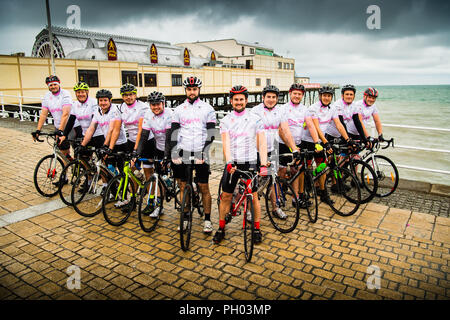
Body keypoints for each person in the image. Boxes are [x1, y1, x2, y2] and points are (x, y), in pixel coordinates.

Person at [214, 85, 268, 244]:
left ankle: (257, 229)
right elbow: (225, 143)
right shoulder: (225, 120)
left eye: (241, 99)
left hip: (250, 162)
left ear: (246, 100)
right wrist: (229, 161)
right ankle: (221, 228)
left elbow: (262, 143)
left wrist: (263, 164)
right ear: (231, 101)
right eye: (236, 99)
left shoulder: (255, 119)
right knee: (226, 196)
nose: (238, 102)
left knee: (254, 196)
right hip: (233, 163)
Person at [169, 76, 216, 234]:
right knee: (183, 185)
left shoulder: (207, 108)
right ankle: (185, 217)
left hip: (201, 151)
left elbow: (211, 133)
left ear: (199, 90)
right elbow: (174, 133)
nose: (191, 92)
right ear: (185, 91)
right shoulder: (178, 109)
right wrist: (174, 152)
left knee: (204, 187)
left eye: (194, 89)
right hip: (184, 150)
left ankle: (208, 220)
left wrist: (204, 152)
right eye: (189, 89)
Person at [250, 85, 300, 219]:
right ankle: (249, 210)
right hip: (256, 150)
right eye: (268, 97)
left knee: (274, 179)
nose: (271, 100)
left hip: (272, 149)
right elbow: (255, 134)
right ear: (263, 97)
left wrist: (294, 148)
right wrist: (263, 158)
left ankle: (275, 207)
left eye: (273, 97)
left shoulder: (280, 112)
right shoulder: (255, 111)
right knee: (253, 182)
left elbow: (286, 131)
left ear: (277, 98)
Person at [302, 86, 352, 204]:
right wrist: (326, 143)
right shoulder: (313, 108)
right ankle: (306, 185)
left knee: (322, 166)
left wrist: (348, 139)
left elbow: (339, 125)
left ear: (331, 97)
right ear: (320, 96)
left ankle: (323, 193)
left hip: (321, 140)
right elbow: (316, 128)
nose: (326, 98)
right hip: (308, 140)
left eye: (329, 96)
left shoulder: (332, 108)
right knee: (307, 166)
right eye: (324, 95)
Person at [278, 83, 320, 208]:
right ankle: (279, 196)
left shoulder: (304, 109)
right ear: (290, 93)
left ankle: (296, 198)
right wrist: (291, 146)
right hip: (283, 144)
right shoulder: (283, 109)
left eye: (299, 94)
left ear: (302, 96)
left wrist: (317, 142)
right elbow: (281, 130)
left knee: (296, 171)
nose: (297, 96)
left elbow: (311, 125)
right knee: (282, 170)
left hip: (298, 144)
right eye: (295, 93)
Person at [136, 91, 173, 218]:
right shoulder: (148, 115)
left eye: (158, 104)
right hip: (158, 148)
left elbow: (169, 138)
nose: (155, 107)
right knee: (159, 178)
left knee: (179, 179)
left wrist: (167, 157)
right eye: (153, 105)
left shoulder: (169, 114)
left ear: (163, 103)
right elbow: (144, 136)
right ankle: (159, 206)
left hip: (173, 147)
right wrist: (137, 153)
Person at [32, 75, 74, 160]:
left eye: (55, 84)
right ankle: (66, 170)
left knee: (77, 150)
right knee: (63, 151)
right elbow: (43, 114)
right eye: (50, 85)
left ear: (59, 84)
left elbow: (65, 114)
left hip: (71, 126)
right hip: (58, 126)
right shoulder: (47, 96)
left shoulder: (65, 94)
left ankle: (80, 168)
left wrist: (61, 131)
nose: (53, 86)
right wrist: (38, 130)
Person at [60, 82, 104, 154]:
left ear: (87, 92)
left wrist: (88, 136)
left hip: (98, 135)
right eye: (78, 92)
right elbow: (71, 121)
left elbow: (94, 121)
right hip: (85, 135)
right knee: (82, 157)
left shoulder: (94, 102)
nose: (80, 94)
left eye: (82, 92)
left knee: (102, 159)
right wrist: (64, 135)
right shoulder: (75, 104)